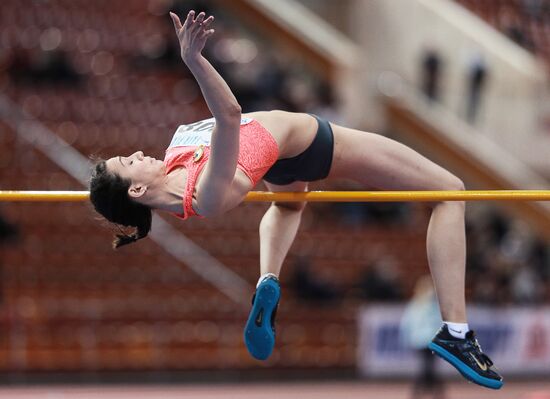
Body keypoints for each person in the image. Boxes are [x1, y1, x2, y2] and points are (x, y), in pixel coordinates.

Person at [88, 10, 502, 389]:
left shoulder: (177, 164)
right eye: (129, 161)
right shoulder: (204, 195)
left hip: (278, 162)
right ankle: (457, 332)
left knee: (287, 204)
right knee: (450, 192)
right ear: (137, 191)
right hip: (311, 143)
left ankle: (268, 278)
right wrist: (194, 60)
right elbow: (231, 115)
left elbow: (232, 128)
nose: (138, 153)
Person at [400, 275, 446, 399]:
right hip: (420, 341)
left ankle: (426, 392)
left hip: (432, 341)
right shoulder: (414, 306)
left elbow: (440, 323)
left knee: (428, 367)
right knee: (426, 367)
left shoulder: (435, 306)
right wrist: (406, 339)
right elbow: (406, 324)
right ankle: (428, 392)